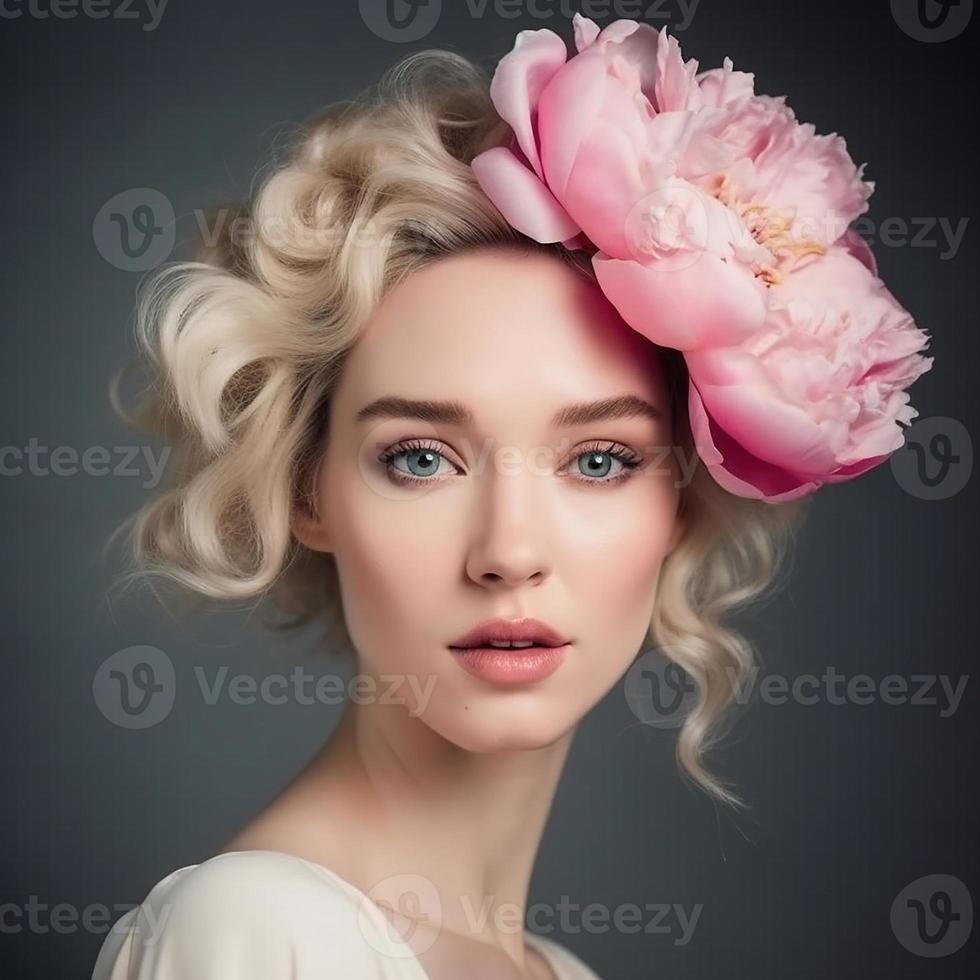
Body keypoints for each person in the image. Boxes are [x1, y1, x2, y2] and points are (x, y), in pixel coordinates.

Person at [91, 14, 931, 980]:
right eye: (419, 458)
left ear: (684, 502)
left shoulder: (552, 971)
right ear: (305, 489)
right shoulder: (254, 936)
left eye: (601, 460)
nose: (509, 550)